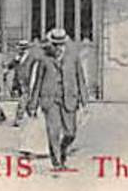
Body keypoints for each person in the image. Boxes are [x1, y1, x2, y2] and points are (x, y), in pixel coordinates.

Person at [27, 28, 87, 172]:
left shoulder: (73, 58)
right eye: (55, 44)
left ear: (65, 44)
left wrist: (84, 100)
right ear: (51, 44)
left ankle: (62, 151)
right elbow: (38, 82)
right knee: (53, 132)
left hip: (69, 99)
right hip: (50, 100)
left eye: (61, 44)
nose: (58, 48)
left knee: (70, 133)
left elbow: (80, 79)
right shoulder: (44, 60)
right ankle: (57, 163)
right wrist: (33, 104)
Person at [11, 39, 37, 126]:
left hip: (28, 82)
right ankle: (32, 115)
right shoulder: (17, 58)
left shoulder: (32, 59)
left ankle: (18, 119)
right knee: (26, 101)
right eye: (20, 48)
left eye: (23, 49)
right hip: (19, 82)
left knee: (23, 101)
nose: (21, 50)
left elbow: (34, 71)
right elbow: (14, 69)